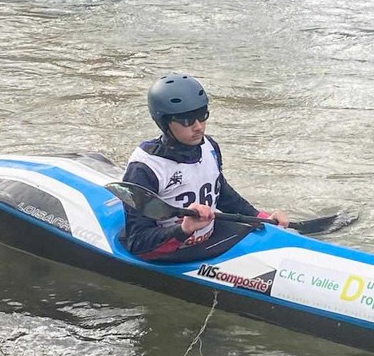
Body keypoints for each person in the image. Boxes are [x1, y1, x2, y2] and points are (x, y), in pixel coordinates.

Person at [121, 73, 289, 259]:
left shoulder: (209, 146)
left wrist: (262, 218)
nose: (198, 127)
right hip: (169, 252)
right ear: (164, 122)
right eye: (187, 121)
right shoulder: (145, 168)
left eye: (202, 116)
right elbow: (137, 242)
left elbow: (221, 192)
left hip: (206, 240)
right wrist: (183, 230)